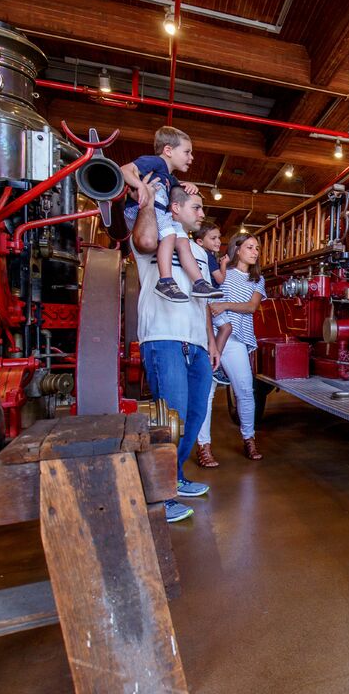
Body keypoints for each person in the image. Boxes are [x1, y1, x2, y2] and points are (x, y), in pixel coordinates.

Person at [133, 186, 220, 522]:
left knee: (195, 416)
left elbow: (204, 299)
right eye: (196, 208)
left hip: (197, 341)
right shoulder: (152, 239)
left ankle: (175, 476)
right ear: (176, 207)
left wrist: (211, 342)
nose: (201, 214)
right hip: (163, 336)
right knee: (170, 419)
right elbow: (141, 240)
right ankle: (158, 493)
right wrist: (148, 197)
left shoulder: (195, 251)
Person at [120, 126, 222, 303]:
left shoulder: (169, 177)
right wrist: (141, 186)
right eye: (187, 152)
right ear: (168, 150)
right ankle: (165, 280)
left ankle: (199, 282)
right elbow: (125, 170)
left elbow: (176, 188)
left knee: (182, 240)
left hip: (161, 213)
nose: (191, 157)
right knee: (170, 235)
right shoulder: (155, 162)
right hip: (140, 211)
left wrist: (188, 184)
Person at [196, 233, 267, 466]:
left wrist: (225, 305)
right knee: (206, 395)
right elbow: (208, 301)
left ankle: (249, 439)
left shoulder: (258, 280)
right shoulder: (223, 274)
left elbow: (251, 307)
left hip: (237, 338)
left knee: (245, 391)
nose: (255, 252)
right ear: (237, 249)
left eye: (257, 248)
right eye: (249, 247)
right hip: (212, 336)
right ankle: (204, 447)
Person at [194, 222, 232, 388]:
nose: (218, 241)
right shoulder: (207, 257)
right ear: (200, 242)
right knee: (226, 327)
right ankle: (215, 360)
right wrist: (224, 265)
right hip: (210, 299)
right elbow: (220, 280)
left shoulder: (205, 255)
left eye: (219, 238)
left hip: (208, 298)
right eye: (213, 238)